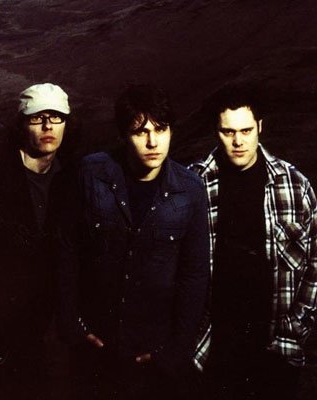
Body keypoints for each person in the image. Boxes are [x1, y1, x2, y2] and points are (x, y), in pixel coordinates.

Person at [54, 84, 210, 399]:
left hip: (155, 352)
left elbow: (195, 275)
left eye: (161, 130)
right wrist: (71, 325)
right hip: (97, 347)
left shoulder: (190, 190)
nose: (153, 142)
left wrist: (177, 350)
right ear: (124, 135)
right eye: (141, 132)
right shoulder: (91, 174)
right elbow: (66, 251)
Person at [189, 85, 317, 400]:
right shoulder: (194, 183)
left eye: (246, 130)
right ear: (215, 131)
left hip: (275, 346)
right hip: (213, 348)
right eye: (228, 132)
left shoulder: (295, 185)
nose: (238, 141)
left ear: (260, 127)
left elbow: (316, 263)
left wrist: (293, 333)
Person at [0, 83, 72, 400]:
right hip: (10, 334)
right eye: (37, 118)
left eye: (56, 117)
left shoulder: (73, 178)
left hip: (55, 327)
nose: (47, 126)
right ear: (22, 124)